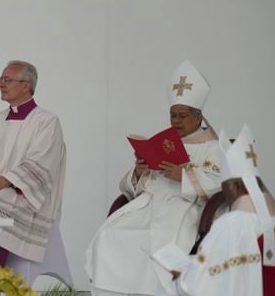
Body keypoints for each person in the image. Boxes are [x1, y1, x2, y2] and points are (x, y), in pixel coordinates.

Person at [86, 60, 222, 295]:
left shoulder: (212, 147)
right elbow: (131, 189)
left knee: (157, 241)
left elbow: (221, 185)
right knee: (110, 235)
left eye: (182, 116)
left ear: (198, 118)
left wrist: (184, 176)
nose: (176, 121)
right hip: (149, 205)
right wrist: (140, 171)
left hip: (184, 208)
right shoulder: (166, 141)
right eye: (172, 115)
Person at [0, 60, 66, 264]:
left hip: (21, 195)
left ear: (26, 85)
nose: (1, 84)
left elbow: (41, 164)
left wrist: (4, 180)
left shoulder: (46, 121)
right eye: (0, 80)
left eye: (7, 80)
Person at [158, 124, 275, 296]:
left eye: (224, 186)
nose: (224, 192)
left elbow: (197, 285)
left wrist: (181, 276)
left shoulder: (230, 225)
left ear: (236, 186)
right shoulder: (270, 219)